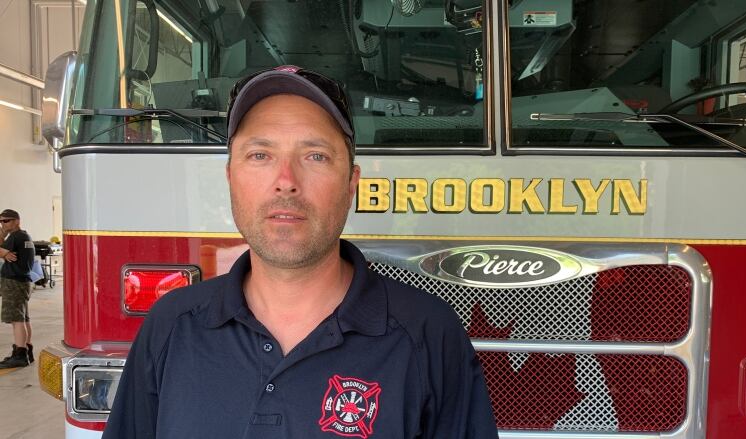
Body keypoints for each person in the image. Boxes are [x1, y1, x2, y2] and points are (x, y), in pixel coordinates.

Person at [103, 66, 498, 438]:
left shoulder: (428, 334)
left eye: (315, 156)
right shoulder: (171, 326)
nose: (286, 182)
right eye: (260, 155)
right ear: (230, 178)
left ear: (350, 184)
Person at [0, 209, 35, 368]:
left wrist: (2, 250)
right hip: (22, 281)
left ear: (16, 221)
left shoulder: (15, 237)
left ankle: (20, 354)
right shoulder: (24, 236)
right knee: (23, 318)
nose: (3, 224)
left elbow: (2, 249)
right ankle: (26, 349)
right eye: (1, 221)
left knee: (17, 320)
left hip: (14, 282)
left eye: (6, 221)